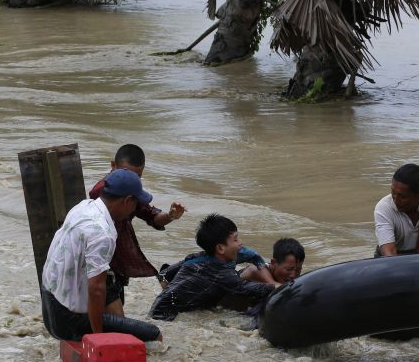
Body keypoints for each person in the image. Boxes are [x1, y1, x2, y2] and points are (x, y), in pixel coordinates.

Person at [40, 169, 162, 343]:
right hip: (68, 321)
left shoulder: (84, 206)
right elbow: (96, 288)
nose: (134, 209)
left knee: (115, 309)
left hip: (50, 304)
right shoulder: (101, 233)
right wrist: (99, 339)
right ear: (127, 201)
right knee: (153, 335)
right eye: (135, 203)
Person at [88, 144, 186, 316]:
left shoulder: (131, 190)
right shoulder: (102, 192)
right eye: (127, 173)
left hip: (118, 263)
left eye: (137, 176)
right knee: (112, 317)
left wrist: (170, 216)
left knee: (112, 314)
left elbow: (151, 215)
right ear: (113, 166)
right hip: (103, 263)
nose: (132, 179)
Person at [149, 214, 278, 321]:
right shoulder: (221, 273)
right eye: (235, 239)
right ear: (220, 248)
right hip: (165, 316)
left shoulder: (194, 257)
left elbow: (163, 275)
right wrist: (277, 286)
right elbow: (247, 288)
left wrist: (175, 291)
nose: (240, 242)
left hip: (158, 307)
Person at [238, 238, 306, 286]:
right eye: (289, 269)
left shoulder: (288, 276)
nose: (293, 275)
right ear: (274, 263)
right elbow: (279, 288)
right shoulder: (257, 270)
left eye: (298, 270)